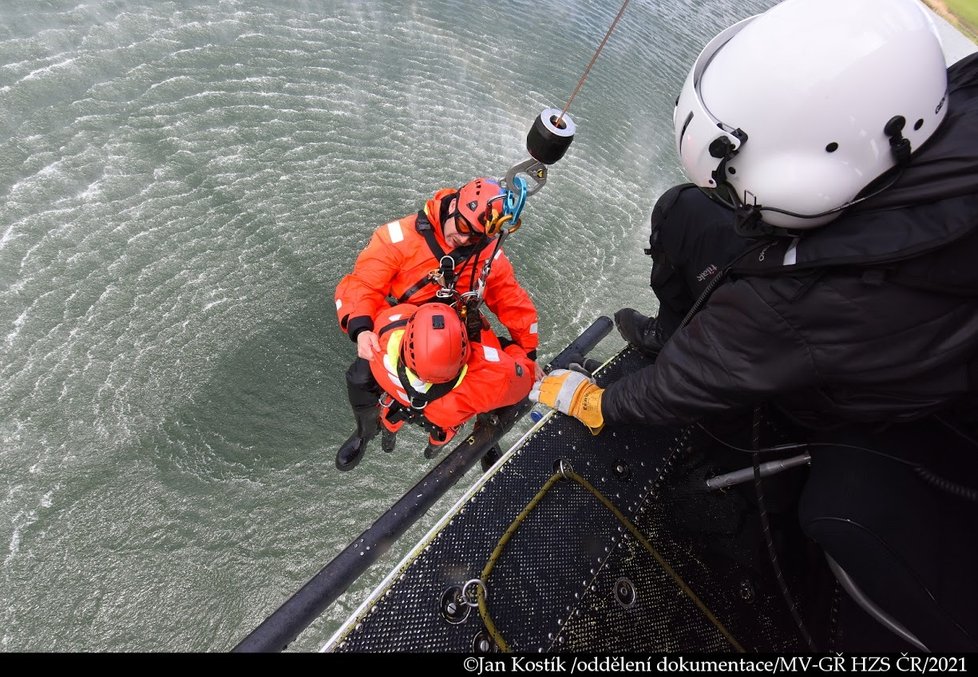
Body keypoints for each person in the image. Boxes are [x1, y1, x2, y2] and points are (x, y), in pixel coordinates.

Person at [531, 0, 978, 651]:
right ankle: (676, 327)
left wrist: (597, 402)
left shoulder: (794, 303)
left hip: (868, 395)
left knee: (700, 302)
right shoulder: (953, 105)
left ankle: (685, 349)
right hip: (912, 322)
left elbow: (676, 387)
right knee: (684, 213)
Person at [334, 177, 541, 471]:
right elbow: (363, 284)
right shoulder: (397, 238)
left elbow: (511, 299)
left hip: (460, 323)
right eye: (465, 230)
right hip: (403, 325)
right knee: (359, 377)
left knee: (502, 376)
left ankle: (487, 432)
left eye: (477, 237)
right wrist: (361, 328)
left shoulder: (486, 253)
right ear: (454, 205)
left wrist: (529, 352)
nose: (466, 240)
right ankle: (366, 432)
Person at [365, 301, 536, 468]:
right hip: (444, 421)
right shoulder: (486, 380)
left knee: (390, 416)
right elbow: (524, 381)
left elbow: (401, 313)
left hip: (400, 401)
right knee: (441, 436)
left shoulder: (382, 342)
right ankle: (431, 452)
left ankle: (388, 441)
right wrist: (512, 349)